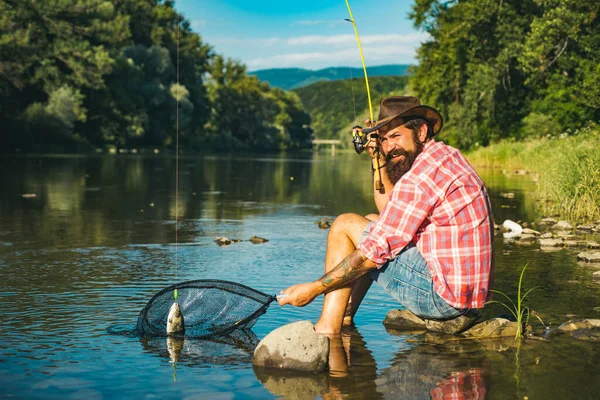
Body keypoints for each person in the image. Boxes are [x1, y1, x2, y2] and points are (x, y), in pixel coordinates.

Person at [278, 96, 494, 335]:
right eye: (383, 139)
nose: (390, 147)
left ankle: (328, 328)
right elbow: (389, 212)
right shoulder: (444, 157)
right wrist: (377, 159)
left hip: (444, 299)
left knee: (344, 224)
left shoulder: (421, 177)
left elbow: (373, 253)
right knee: (371, 220)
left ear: (421, 131)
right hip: (466, 293)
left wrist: (313, 288)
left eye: (396, 136)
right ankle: (345, 316)